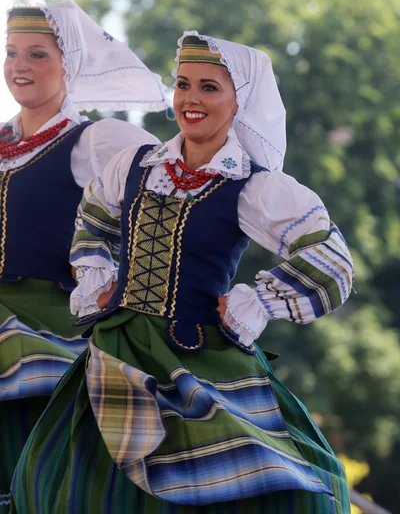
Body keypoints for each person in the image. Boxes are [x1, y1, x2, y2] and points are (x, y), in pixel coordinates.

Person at [11, 32, 353, 513]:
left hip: (199, 352)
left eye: (209, 88)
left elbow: (332, 262)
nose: (191, 99)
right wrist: (94, 268)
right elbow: (94, 216)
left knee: (261, 482)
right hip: (118, 345)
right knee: (70, 480)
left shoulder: (251, 186)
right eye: (183, 84)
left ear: (240, 102)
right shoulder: (135, 165)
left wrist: (256, 301)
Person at [0, 1, 167, 512]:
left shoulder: (94, 142)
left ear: (69, 64)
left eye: (36, 54)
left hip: (47, 321)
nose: (18, 65)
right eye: (10, 53)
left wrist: (115, 273)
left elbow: (166, 200)